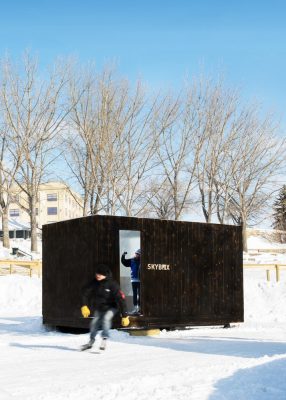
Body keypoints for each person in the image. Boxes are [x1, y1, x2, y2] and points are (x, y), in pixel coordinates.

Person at [80, 263, 130, 351]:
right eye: (97, 273)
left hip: (112, 307)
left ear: (105, 275)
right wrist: (84, 305)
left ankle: (104, 339)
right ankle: (91, 341)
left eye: (100, 274)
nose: (97, 275)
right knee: (94, 322)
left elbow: (121, 300)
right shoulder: (94, 283)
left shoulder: (113, 285)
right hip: (100, 307)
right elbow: (85, 293)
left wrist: (125, 316)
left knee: (106, 319)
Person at [121, 248, 141, 314]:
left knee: (140, 294)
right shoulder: (132, 260)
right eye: (136, 253)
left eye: (138, 254)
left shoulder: (142, 261)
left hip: (141, 280)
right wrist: (123, 255)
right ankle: (136, 308)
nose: (136, 255)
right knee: (135, 294)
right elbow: (124, 262)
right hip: (134, 280)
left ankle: (139, 308)